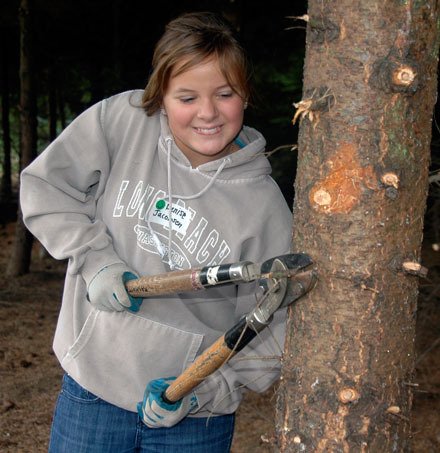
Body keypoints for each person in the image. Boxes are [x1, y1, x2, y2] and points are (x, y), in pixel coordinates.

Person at [20, 11, 292, 453]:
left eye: (225, 94)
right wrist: (97, 260)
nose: (207, 112)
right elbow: (47, 187)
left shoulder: (265, 207)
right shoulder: (121, 123)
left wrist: (209, 390)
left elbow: (277, 324)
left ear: (245, 94)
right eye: (186, 97)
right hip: (94, 389)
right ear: (160, 95)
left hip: (195, 418)